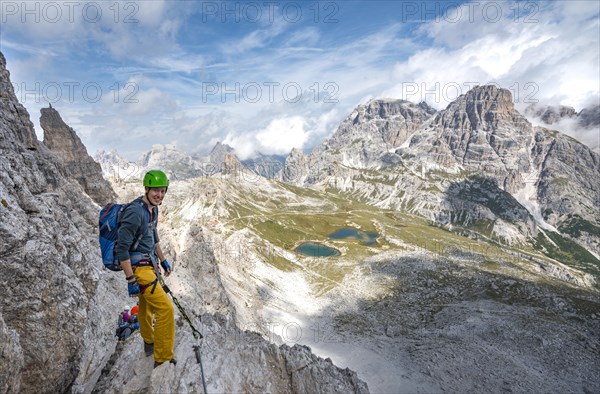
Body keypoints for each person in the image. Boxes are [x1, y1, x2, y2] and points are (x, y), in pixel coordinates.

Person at [116, 170, 176, 367]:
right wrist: (130, 279)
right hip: (139, 269)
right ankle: (162, 357)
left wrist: (163, 259)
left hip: (150, 264)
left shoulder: (153, 209)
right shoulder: (135, 212)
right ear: (146, 188)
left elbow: (153, 236)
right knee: (166, 309)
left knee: (146, 306)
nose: (160, 195)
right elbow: (121, 248)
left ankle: (149, 341)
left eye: (163, 191)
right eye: (156, 191)